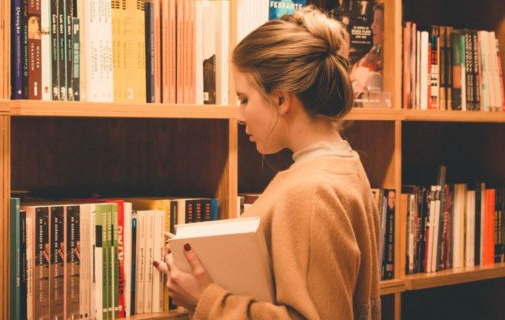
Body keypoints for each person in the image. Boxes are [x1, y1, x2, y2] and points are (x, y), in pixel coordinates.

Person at [153, 6, 381, 320]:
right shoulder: (343, 164)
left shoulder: (312, 191)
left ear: (281, 99)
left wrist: (206, 299)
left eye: (245, 99)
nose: (240, 114)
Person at [350, 3, 384, 97]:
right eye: (373, 22)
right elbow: (350, 80)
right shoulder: (374, 52)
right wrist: (366, 60)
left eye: (377, 22)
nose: (372, 26)